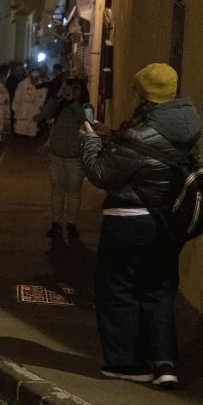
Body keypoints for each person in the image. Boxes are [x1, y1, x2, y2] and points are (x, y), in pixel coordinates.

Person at [80, 63, 200, 387]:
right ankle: (164, 363)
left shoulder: (138, 133)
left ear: (144, 95)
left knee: (118, 289)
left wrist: (91, 141)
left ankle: (127, 363)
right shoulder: (188, 126)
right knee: (159, 291)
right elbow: (154, 150)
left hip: (128, 221)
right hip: (167, 224)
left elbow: (101, 173)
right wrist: (114, 136)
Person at [36, 77, 88, 239]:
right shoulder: (58, 105)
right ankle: (56, 224)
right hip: (56, 155)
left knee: (73, 193)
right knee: (57, 191)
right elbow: (43, 114)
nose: (71, 91)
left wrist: (72, 101)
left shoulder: (85, 107)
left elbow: (84, 119)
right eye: (69, 88)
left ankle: (72, 225)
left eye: (76, 89)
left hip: (75, 157)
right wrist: (57, 97)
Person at [13, 68, 46, 137]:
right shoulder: (22, 83)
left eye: (35, 79)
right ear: (30, 77)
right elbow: (17, 94)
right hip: (23, 105)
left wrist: (39, 105)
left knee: (32, 122)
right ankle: (21, 134)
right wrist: (17, 105)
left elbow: (43, 97)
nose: (33, 80)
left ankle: (31, 134)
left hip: (34, 106)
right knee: (22, 121)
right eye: (32, 78)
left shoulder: (41, 85)